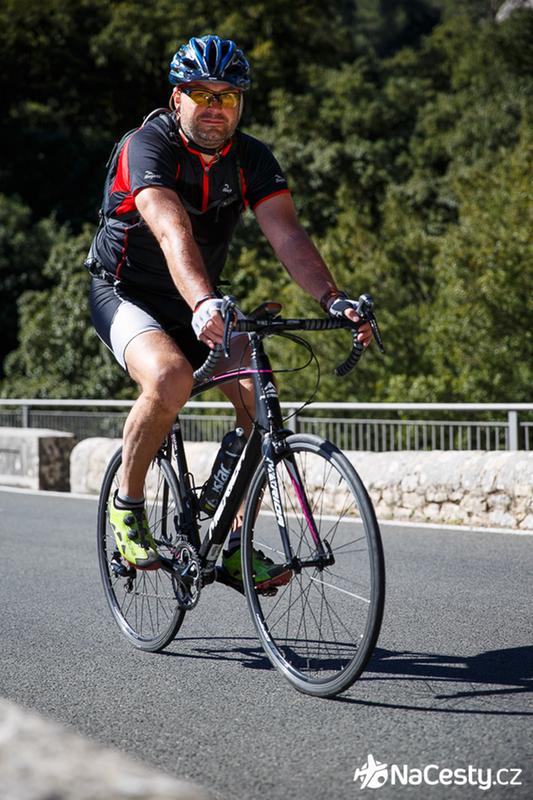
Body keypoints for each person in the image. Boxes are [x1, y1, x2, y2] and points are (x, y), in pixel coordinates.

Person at [87, 34, 372, 585]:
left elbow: (288, 235)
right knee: (168, 378)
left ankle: (236, 540)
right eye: (202, 94)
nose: (216, 107)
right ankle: (128, 507)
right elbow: (171, 231)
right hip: (126, 294)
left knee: (261, 397)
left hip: (200, 300)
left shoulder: (251, 158)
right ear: (177, 99)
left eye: (228, 96)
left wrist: (333, 298)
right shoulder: (147, 147)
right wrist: (201, 301)